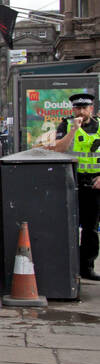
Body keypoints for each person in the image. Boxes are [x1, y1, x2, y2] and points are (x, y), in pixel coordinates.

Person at [51, 92, 100, 281]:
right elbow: (59, 149)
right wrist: (73, 130)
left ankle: (87, 267)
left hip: (94, 185)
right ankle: (69, 267)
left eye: (84, 108)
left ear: (91, 109)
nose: (80, 111)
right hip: (72, 183)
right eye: (77, 108)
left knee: (91, 229)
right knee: (68, 226)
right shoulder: (66, 125)